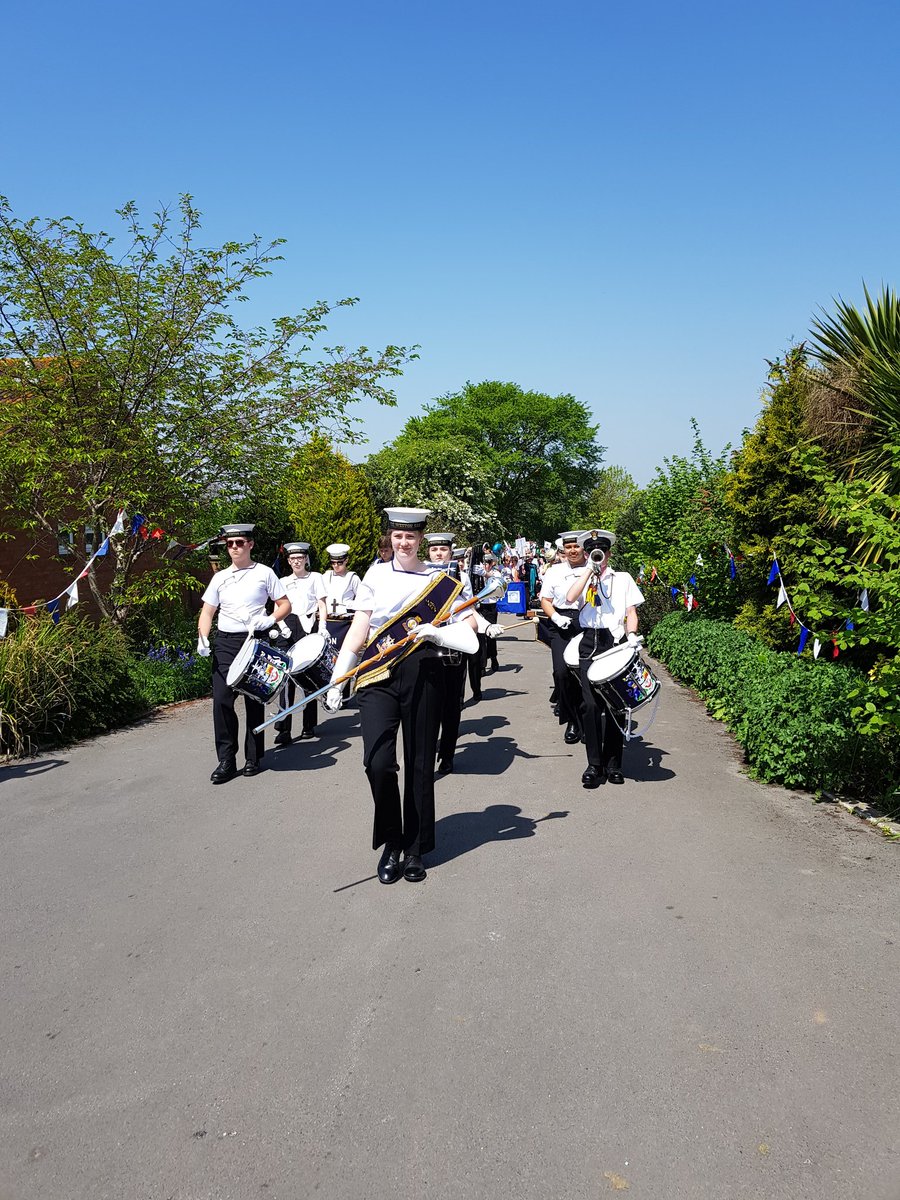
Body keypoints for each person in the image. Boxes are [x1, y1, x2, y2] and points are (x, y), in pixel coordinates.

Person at [323, 508, 478, 885]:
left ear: (421, 538)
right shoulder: (376, 574)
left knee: (420, 761)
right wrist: (338, 676)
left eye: (410, 537)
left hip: (423, 671)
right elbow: (360, 628)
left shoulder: (439, 580)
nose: (403, 542)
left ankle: (414, 848)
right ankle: (392, 839)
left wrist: (437, 633)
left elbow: (469, 635)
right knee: (377, 762)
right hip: (378, 671)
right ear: (390, 538)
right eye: (397, 536)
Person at [197, 524, 290, 782]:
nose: (234, 547)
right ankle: (226, 760)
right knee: (222, 701)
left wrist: (269, 620)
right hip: (226, 642)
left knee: (254, 698)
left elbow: (284, 605)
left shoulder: (264, 573)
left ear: (250, 544)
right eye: (230, 544)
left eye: (239, 542)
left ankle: (253, 756)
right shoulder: (220, 578)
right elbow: (207, 612)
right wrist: (202, 637)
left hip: (255, 638)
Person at [565, 530, 644, 787]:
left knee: (615, 704)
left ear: (609, 554)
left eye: (602, 552)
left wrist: (632, 635)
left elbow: (631, 611)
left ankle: (614, 765)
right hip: (590, 642)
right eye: (592, 552)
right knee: (590, 705)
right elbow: (570, 598)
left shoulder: (623, 578)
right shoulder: (582, 577)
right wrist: (589, 570)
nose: (598, 556)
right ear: (587, 554)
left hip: (615, 641)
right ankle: (593, 764)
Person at [425, 532, 485, 774]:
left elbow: (469, 608)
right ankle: (427, 754)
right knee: (428, 704)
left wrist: (486, 626)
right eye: (434, 550)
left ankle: (447, 754)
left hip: (453, 643)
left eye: (443, 550)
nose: (439, 554)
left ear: (451, 551)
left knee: (451, 703)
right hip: (426, 643)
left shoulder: (461, 576)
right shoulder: (421, 574)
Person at [273, 542, 328, 746]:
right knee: (285, 678)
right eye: (292, 558)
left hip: (308, 624)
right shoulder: (283, 581)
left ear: (306, 559)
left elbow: (321, 604)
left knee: (308, 676)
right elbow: (277, 606)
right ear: (288, 561)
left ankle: (308, 724)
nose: (296, 561)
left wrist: (323, 625)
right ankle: (283, 728)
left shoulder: (316, 578)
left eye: (300, 558)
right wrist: (280, 624)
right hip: (288, 624)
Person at [539, 530, 588, 744]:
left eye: (576, 546)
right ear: (563, 550)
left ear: (584, 548)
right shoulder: (555, 571)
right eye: (568, 547)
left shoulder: (594, 568)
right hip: (561, 623)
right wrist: (556, 617)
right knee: (561, 673)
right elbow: (546, 600)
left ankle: (587, 721)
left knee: (586, 675)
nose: (572, 550)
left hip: (587, 622)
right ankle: (572, 720)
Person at [322, 542, 361, 650]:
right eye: (333, 562)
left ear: (346, 560)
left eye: (339, 562)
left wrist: (349, 605)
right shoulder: (326, 576)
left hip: (345, 621)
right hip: (328, 619)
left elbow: (362, 600)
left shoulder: (353, 578)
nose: (336, 566)